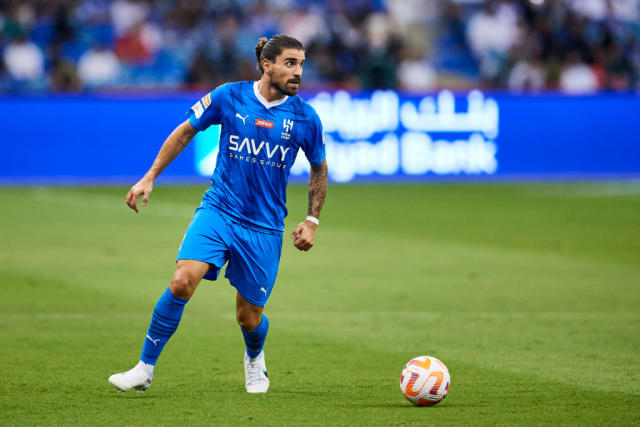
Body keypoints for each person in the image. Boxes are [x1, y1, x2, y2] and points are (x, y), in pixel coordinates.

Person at [108, 34, 328, 394]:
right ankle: (144, 368)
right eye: (291, 63)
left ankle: (255, 359)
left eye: (302, 64)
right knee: (182, 281)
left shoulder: (305, 117)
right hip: (219, 210)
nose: (298, 72)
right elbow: (185, 132)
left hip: (265, 226)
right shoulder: (229, 96)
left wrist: (312, 220)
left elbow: (319, 168)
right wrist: (149, 177)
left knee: (248, 317)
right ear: (266, 65)